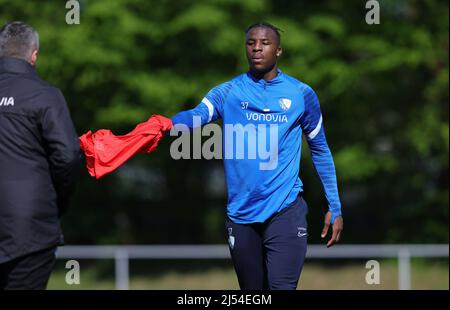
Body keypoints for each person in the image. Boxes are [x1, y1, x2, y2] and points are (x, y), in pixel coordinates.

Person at [171, 22, 343, 290]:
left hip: (285, 210)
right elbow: (197, 116)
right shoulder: (228, 92)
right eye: (251, 43)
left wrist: (335, 205)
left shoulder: (301, 94)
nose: (257, 48)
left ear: (279, 51)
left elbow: (320, 149)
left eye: (265, 43)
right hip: (240, 215)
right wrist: (162, 125)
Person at [0, 21, 80, 290]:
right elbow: (68, 155)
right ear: (33, 55)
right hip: (30, 230)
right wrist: (57, 202)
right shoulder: (46, 96)